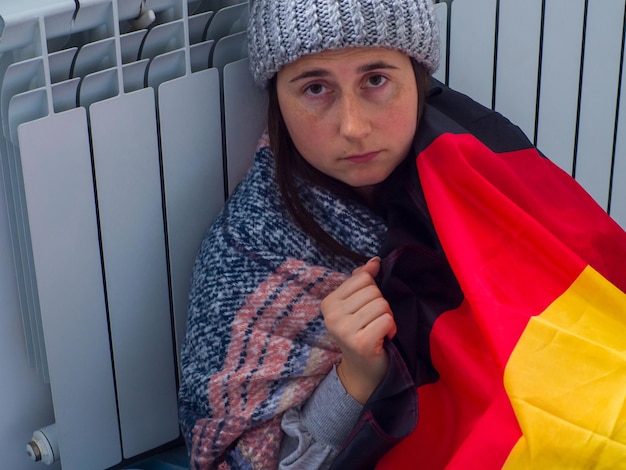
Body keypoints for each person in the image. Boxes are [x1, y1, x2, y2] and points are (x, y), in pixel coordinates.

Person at [178, 0, 626, 468]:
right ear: (278, 101)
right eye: (315, 88)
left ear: (417, 78)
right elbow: (237, 462)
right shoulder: (249, 253)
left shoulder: (479, 162)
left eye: (376, 80)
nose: (353, 126)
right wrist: (356, 375)